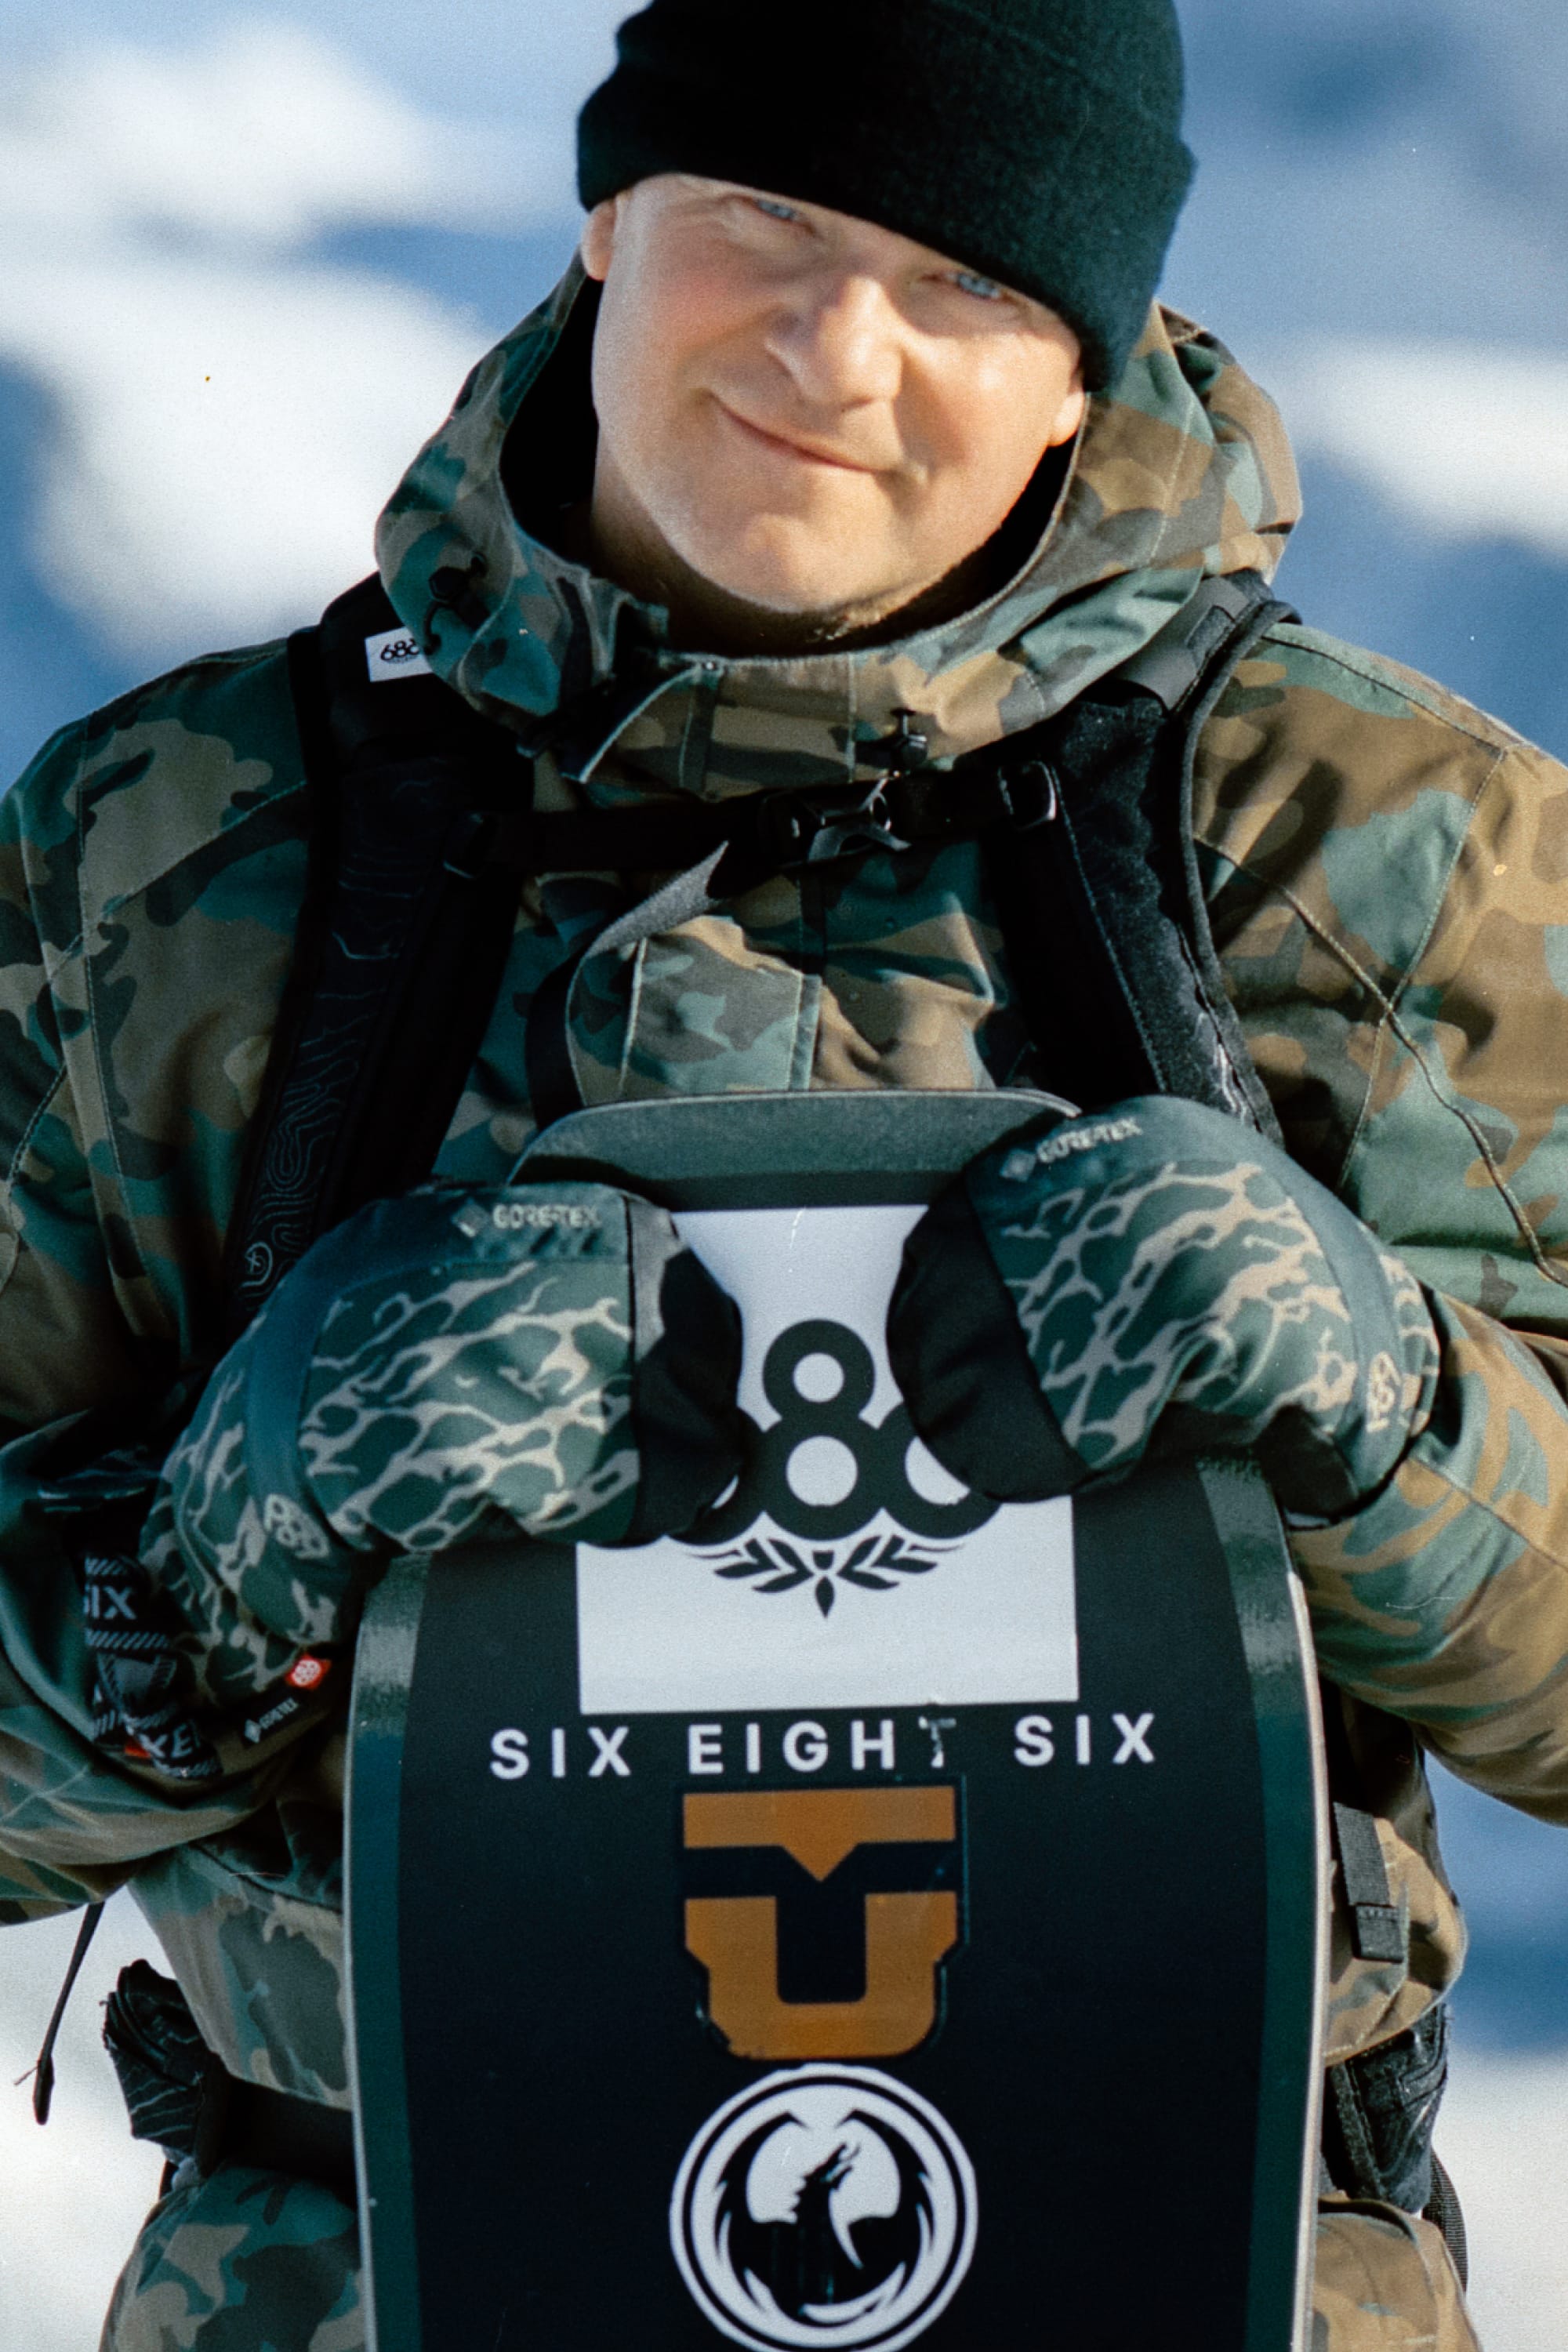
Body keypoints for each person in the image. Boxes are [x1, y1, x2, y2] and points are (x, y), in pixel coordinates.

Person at [0, 0, 1561, 2343]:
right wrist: (226, 1548)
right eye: (771, 222)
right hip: (366, 2278)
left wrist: (1392, 1412)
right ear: (610, 217)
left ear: (1088, 361)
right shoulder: (169, 857)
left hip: (1188, 2254)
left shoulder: (1368, 849)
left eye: (970, 285)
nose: (842, 349)